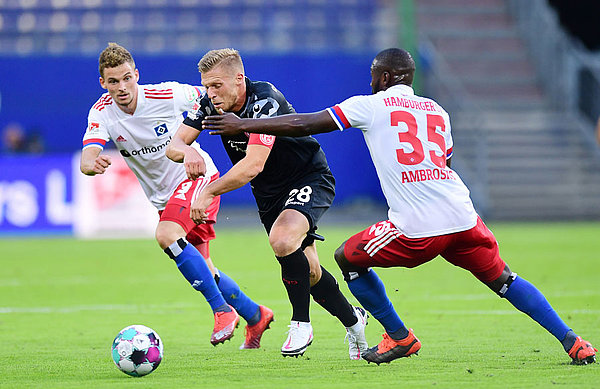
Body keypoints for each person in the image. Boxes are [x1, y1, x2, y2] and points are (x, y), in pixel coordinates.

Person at [201, 48, 598, 366]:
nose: (370, 81)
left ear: (385, 78)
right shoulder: (437, 111)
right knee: (506, 280)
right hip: (463, 216)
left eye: (374, 75)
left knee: (348, 257)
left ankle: (399, 336)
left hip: (417, 227)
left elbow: (303, 123)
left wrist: (243, 125)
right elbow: (444, 160)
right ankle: (573, 341)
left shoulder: (370, 105)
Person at [166, 48, 368, 359]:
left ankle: (300, 323)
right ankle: (354, 322)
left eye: (217, 85)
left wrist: (207, 192)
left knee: (283, 240)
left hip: (307, 176)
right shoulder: (208, 103)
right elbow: (174, 145)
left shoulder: (264, 100)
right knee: (310, 270)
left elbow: (252, 166)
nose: (211, 93)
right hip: (269, 193)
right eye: (206, 86)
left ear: (239, 79)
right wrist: (188, 151)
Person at [80, 43, 274, 349]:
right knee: (206, 269)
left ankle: (223, 312)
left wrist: (244, 125)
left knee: (166, 234)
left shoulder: (167, 94)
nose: (122, 87)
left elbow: (212, 96)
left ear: (137, 75)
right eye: (113, 81)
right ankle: (256, 315)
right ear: (103, 83)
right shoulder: (102, 112)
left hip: (195, 179)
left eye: (127, 78)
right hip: (164, 199)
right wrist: (91, 163)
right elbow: (88, 155)